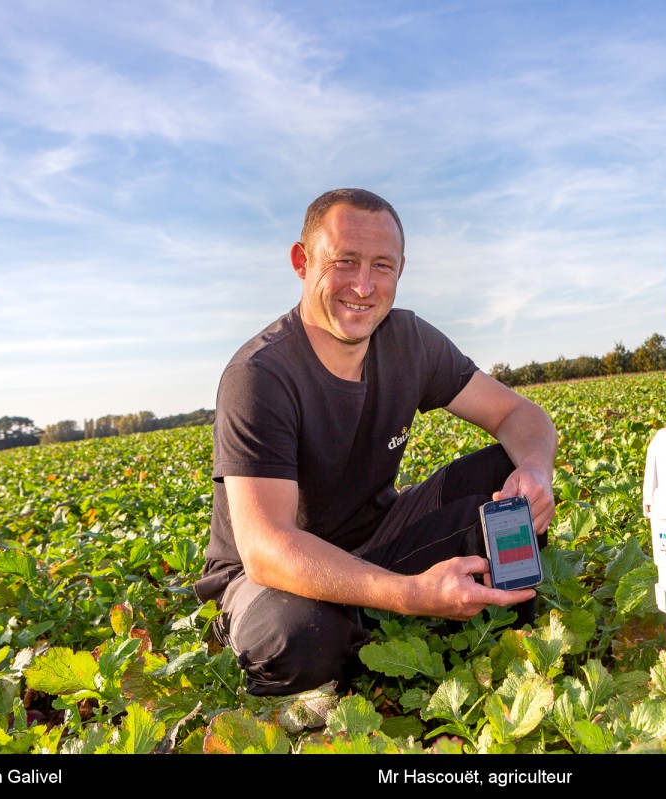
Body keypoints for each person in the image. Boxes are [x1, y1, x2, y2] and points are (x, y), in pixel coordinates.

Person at [194, 188, 557, 697]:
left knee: (508, 476)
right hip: (275, 573)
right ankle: (327, 625)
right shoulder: (260, 375)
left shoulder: (410, 340)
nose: (363, 286)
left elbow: (520, 414)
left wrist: (536, 473)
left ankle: (468, 628)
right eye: (345, 261)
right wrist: (411, 596)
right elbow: (266, 549)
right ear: (303, 262)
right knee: (298, 637)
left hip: (378, 536)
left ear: (401, 270)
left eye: (382, 266)